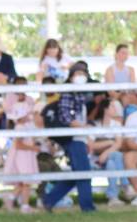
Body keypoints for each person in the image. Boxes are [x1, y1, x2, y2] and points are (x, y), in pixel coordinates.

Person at [40, 65, 97, 213]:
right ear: (71, 77)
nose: (81, 76)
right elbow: (67, 117)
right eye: (77, 73)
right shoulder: (68, 94)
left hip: (79, 137)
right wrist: (83, 128)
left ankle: (49, 199)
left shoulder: (79, 94)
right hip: (73, 138)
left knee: (77, 173)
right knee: (84, 173)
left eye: (83, 73)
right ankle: (87, 207)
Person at [2, 76, 40, 212]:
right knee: (26, 181)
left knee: (24, 181)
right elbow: (19, 145)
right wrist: (33, 147)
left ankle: (12, 199)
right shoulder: (20, 128)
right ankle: (24, 205)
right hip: (23, 154)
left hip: (26, 154)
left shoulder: (25, 126)